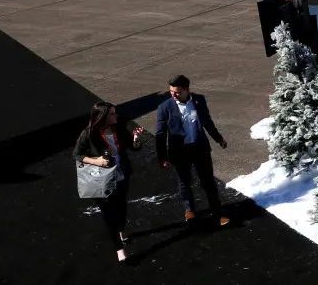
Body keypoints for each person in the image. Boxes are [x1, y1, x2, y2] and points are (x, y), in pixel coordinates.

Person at [155, 74, 229, 227]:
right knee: (185, 182)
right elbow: (160, 133)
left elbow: (207, 121)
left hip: (199, 148)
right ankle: (190, 210)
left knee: (208, 181)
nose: (173, 95)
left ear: (186, 90)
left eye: (177, 92)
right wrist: (162, 156)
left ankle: (218, 212)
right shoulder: (164, 107)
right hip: (180, 152)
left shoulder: (198, 100)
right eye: (171, 92)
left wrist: (218, 138)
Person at [75, 102, 144, 262]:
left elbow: (132, 146)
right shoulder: (89, 134)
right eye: (113, 114)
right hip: (100, 179)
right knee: (109, 213)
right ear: (103, 117)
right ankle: (119, 248)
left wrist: (136, 141)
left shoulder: (118, 128)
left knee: (121, 207)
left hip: (121, 174)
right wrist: (97, 161)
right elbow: (77, 155)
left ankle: (120, 229)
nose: (116, 116)